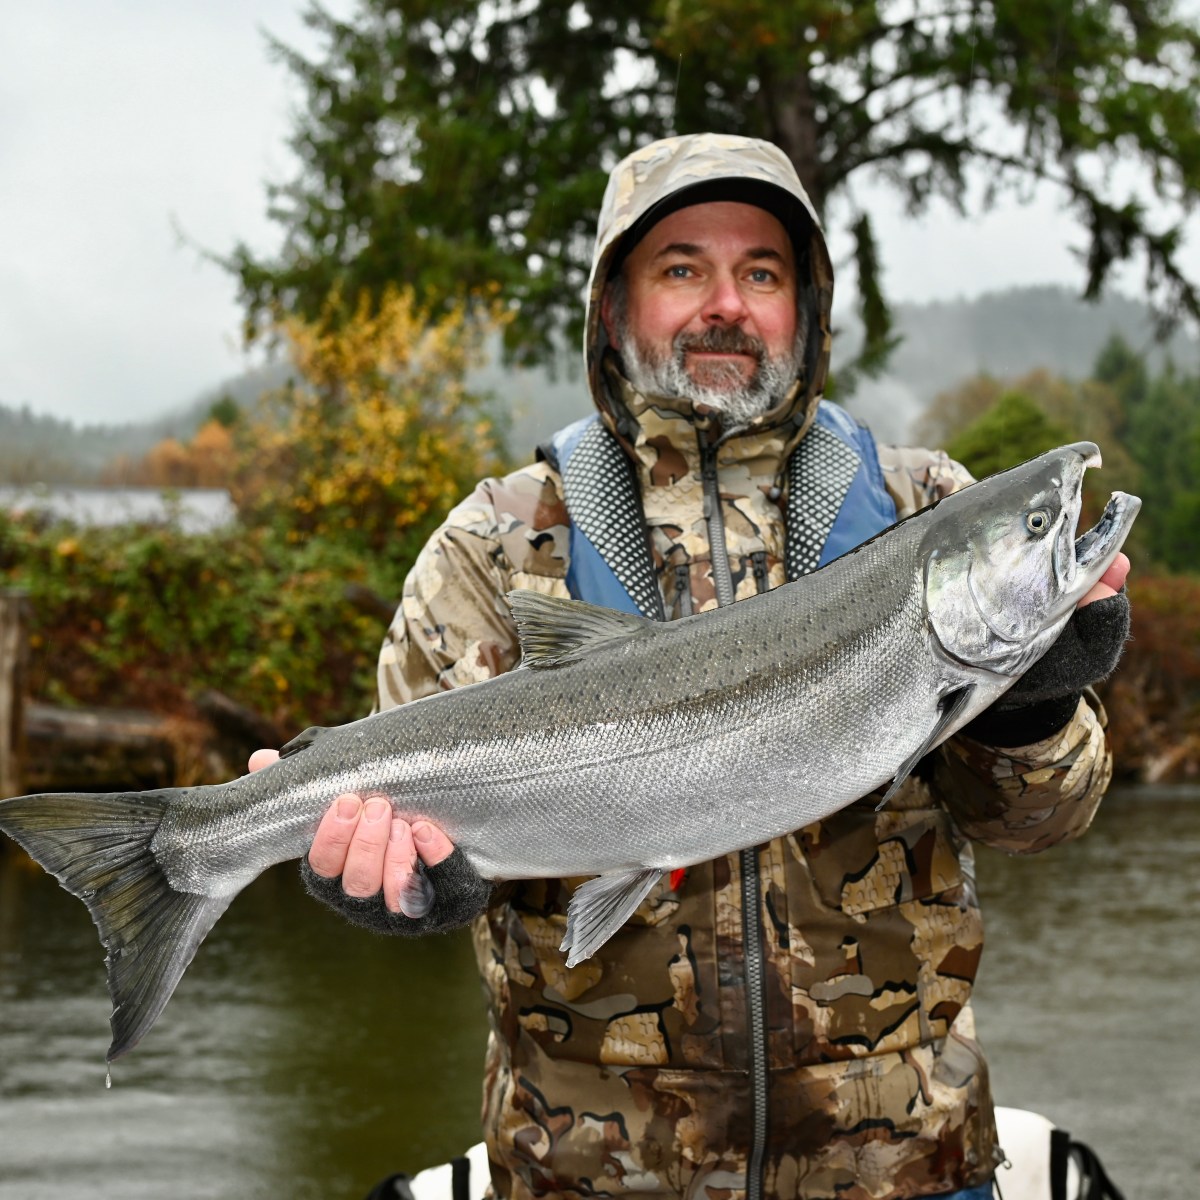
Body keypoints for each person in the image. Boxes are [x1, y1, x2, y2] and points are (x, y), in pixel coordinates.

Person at [251, 134, 1131, 1200]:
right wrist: (407, 884)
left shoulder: (928, 508)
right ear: (615, 307)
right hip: (587, 1171)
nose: (728, 303)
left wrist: (1030, 710)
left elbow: (1044, 819)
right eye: (682, 269)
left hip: (903, 1164)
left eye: (762, 272)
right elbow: (418, 834)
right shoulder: (495, 545)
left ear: (803, 309)